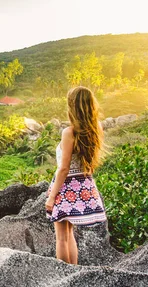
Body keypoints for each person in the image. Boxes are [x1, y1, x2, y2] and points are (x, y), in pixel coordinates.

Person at [45, 86, 107, 265]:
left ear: (72, 106)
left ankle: (65, 275)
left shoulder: (69, 132)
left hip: (66, 187)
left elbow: (63, 169)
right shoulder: (96, 129)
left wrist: (52, 197)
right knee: (69, 234)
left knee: (61, 238)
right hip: (84, 185)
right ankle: (73, 271)